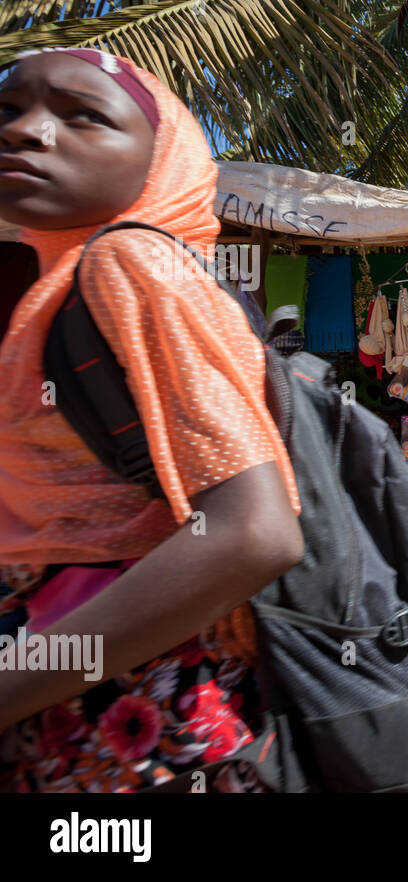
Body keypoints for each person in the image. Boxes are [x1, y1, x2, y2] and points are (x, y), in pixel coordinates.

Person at [0, 48, 303, 792]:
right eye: (8, 109)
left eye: (82, 116)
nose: (27, 132)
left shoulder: (132, 265)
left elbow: (251, 531)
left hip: (138, 722)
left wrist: (15, 683)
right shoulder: (65, 280)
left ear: (161, 159)